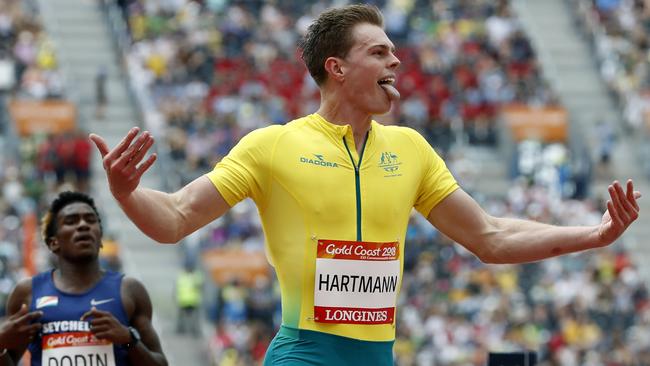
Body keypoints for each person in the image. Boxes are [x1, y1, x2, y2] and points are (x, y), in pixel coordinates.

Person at [88, 4, 642, 365]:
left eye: (393, 52)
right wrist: (126, 192)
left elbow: (491, 237)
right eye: (378, 52)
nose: (396, 61)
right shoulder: (272, 145)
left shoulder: (411, 149)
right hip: (302, 354)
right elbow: (178, 217)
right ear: (336, 67)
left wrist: (593, 236)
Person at [0, 191, 168, 366]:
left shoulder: (130, 290)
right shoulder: (27, 292)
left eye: (90, 220)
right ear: (53, 242)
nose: (83, 225)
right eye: (71, 221)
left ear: (100, 238)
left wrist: (129, 339)